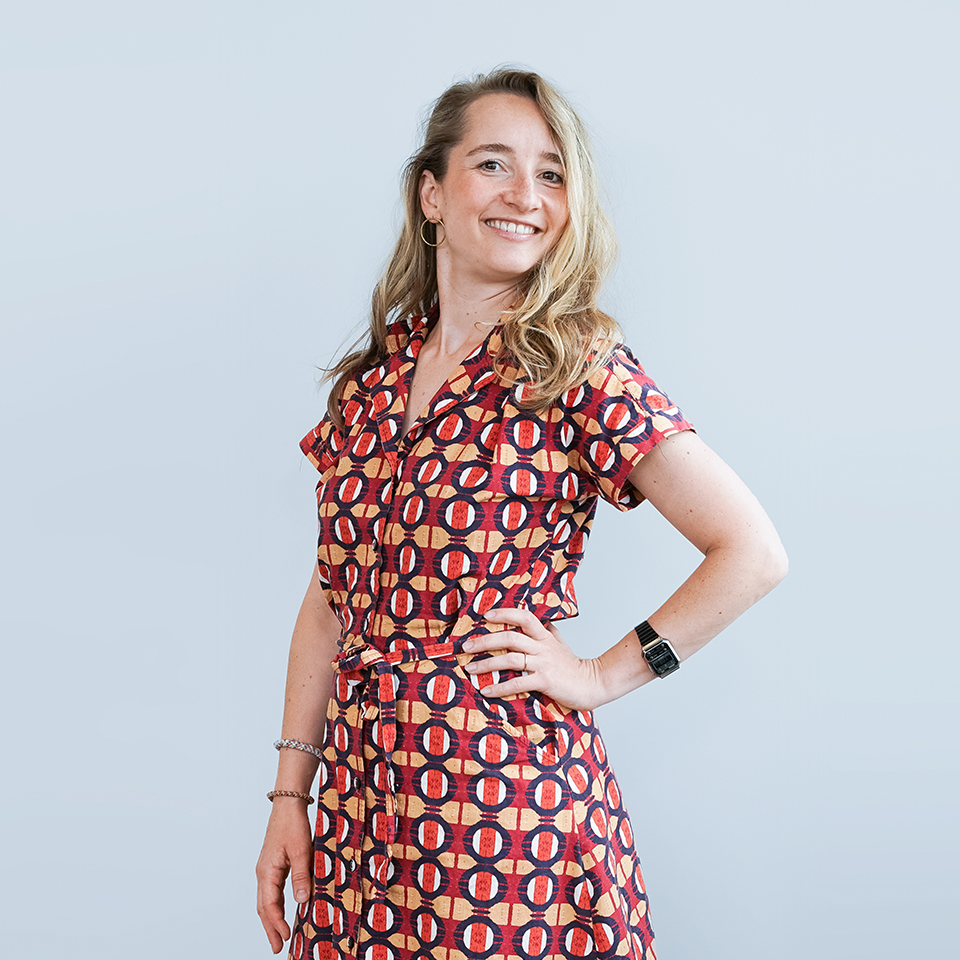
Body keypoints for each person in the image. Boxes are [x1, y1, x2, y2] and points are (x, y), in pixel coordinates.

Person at [255, 68, 787, 960]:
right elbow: (326, 602)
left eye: (551, 174)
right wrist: (287, 798)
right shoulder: (369, 386)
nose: (524, 196)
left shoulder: (574, 368)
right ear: (432, 192)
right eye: (494, 163)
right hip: (357, 807)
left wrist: (600, 676)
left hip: (506, 807)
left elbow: (752, 551)